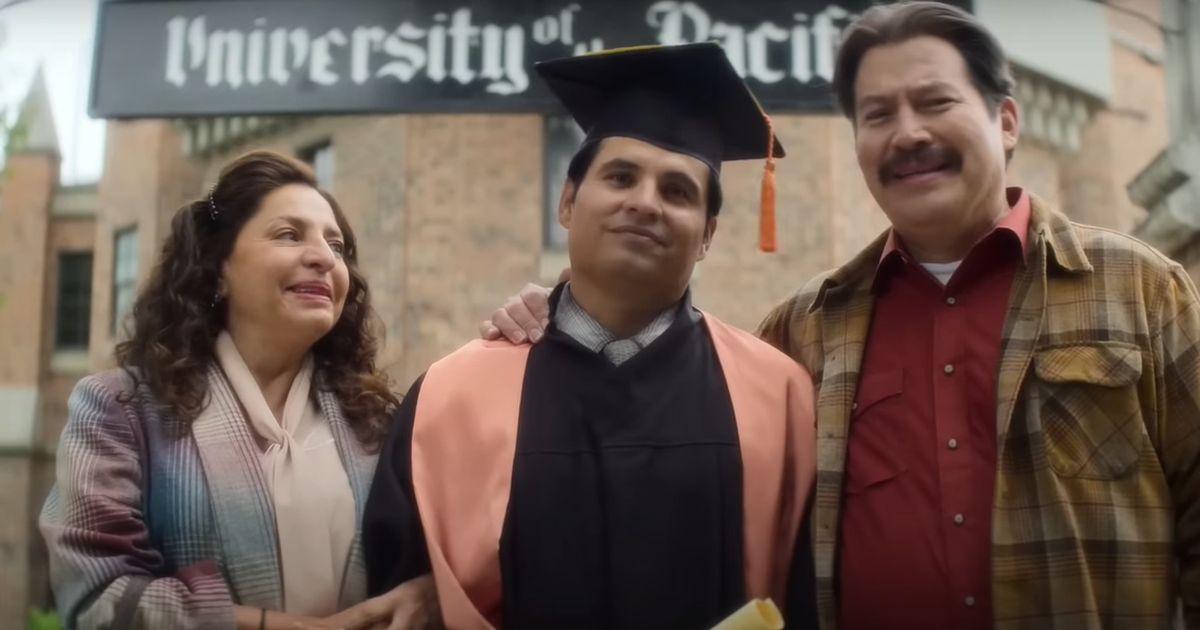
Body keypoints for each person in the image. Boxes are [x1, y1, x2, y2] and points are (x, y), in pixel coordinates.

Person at [482, 3, 1200, 629]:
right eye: (878, 114)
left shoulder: (1138, 289)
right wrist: (573, 317)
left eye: (935, 102)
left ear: (1006, 120)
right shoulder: (802, 333)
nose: (907, 132)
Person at [363, 43, 818, 630]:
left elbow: (809, 597)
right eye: (621, 176)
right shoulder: (451, 400)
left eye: (678, 191)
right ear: (568, 202)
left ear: (707, 235)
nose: (645, 203)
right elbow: (398, 599)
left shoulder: (776, 396)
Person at [40, 151, 438, 629]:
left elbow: (445, 555)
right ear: (218, 266)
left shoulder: (378, 421)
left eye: (336, 247)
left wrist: (430, 592)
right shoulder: (121, 411)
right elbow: (99, 599)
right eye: (289, 235)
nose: (323, 258)